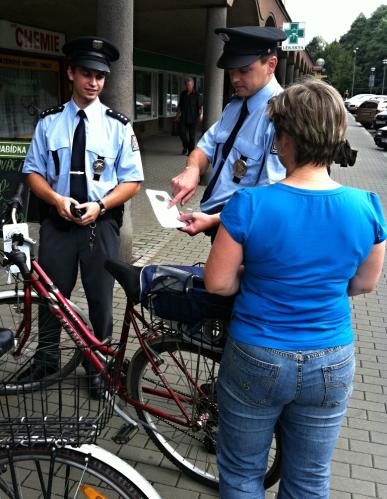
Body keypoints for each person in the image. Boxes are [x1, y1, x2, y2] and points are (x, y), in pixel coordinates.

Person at [204, 79, 386, 498]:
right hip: (331, 359)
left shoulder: (249, 205)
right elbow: (364, 283)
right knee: (309, 480)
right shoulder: (367, 207)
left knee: (243, 474)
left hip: (256, 354)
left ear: (285, 138)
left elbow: (217, 283)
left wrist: (258, 271)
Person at [21, 36, 144, 398]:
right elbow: (32, 172)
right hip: (57, 224)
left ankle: (98, 366)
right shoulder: (49, 123)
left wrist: (102, 206)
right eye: (87, 73)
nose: (94, 82)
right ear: (71, 72)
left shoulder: (118, 126)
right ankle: (46, 360)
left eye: (101, 76)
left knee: (100, 299)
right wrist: (56, 199)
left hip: (99, 225)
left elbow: (133, 180)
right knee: (51, 297)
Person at [169, 26, 287, 239]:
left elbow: (272, 196)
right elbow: (205, 147)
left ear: (270, 65)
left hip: (249, 233)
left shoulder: (281, 115)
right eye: (231, 70)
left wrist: (214, 220)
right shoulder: (235, 106)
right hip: (222, 225)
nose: (234, 78)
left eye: (243, 70)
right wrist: (192, 169)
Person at [176, 77, 203, 155]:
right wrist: (177, 116)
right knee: (182, 133)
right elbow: (180, 106)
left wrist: (201, 115)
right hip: (184, 118)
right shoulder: (183, 94)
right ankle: (185, 146)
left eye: (190, 85)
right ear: (185, 85)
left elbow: (200, 106)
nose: (189, 86)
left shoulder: (197, 95)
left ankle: (190, 151)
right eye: (187, 85)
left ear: (193, 85)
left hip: (193, 118)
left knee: (192, 136)